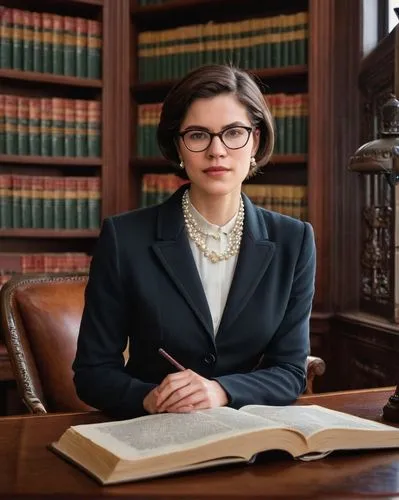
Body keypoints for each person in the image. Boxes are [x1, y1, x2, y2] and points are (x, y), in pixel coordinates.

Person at [73, 64, 316, 419]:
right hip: (154, 433)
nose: (217, 151)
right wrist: (149, 397)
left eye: (234, 133)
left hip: (247, 437)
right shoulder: (124, 238)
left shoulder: (294, 241)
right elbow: (92, 373)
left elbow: (290, 372)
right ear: (179, 148)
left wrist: (221, 390)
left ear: (256, 142)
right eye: (198, 135)